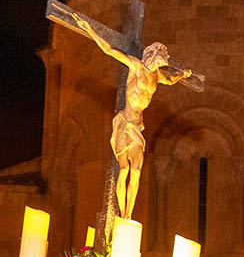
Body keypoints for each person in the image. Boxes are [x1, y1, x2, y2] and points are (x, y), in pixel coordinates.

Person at [73, 16, 193, 219]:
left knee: (136, 171)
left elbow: (171, 80)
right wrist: (90, 30)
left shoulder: (158, 76)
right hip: (124, 123)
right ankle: (121, 212)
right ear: (154, 54)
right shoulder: (135, 66)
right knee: (124, 169)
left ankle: (128, 215)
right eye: (164, 53)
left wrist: (183, 75)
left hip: (138, 125)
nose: (167, 57)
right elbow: (110, 50)